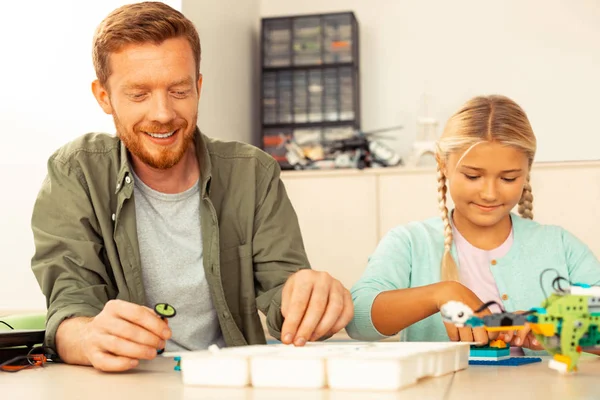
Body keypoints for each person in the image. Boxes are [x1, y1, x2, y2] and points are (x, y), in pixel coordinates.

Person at [30, 2, 353, 372]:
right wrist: (87, 337)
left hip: (229, 382)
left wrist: (312, 301)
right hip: (126, 386)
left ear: (198, 86)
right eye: (138, 94)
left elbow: (284, 295)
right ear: (104, 96)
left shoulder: (254, 173)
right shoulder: (76, 172)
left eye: (179, 91)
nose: (163, 113)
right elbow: (70, 305)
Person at [346, 95, 600, 355]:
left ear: (527, 171)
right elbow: (358, 320)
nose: (489, 193)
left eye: (508, 178)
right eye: (473, 176)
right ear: (443, 165)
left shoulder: (559, 245)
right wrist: (441, 294)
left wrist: (559, 325)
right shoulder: (410, 242)